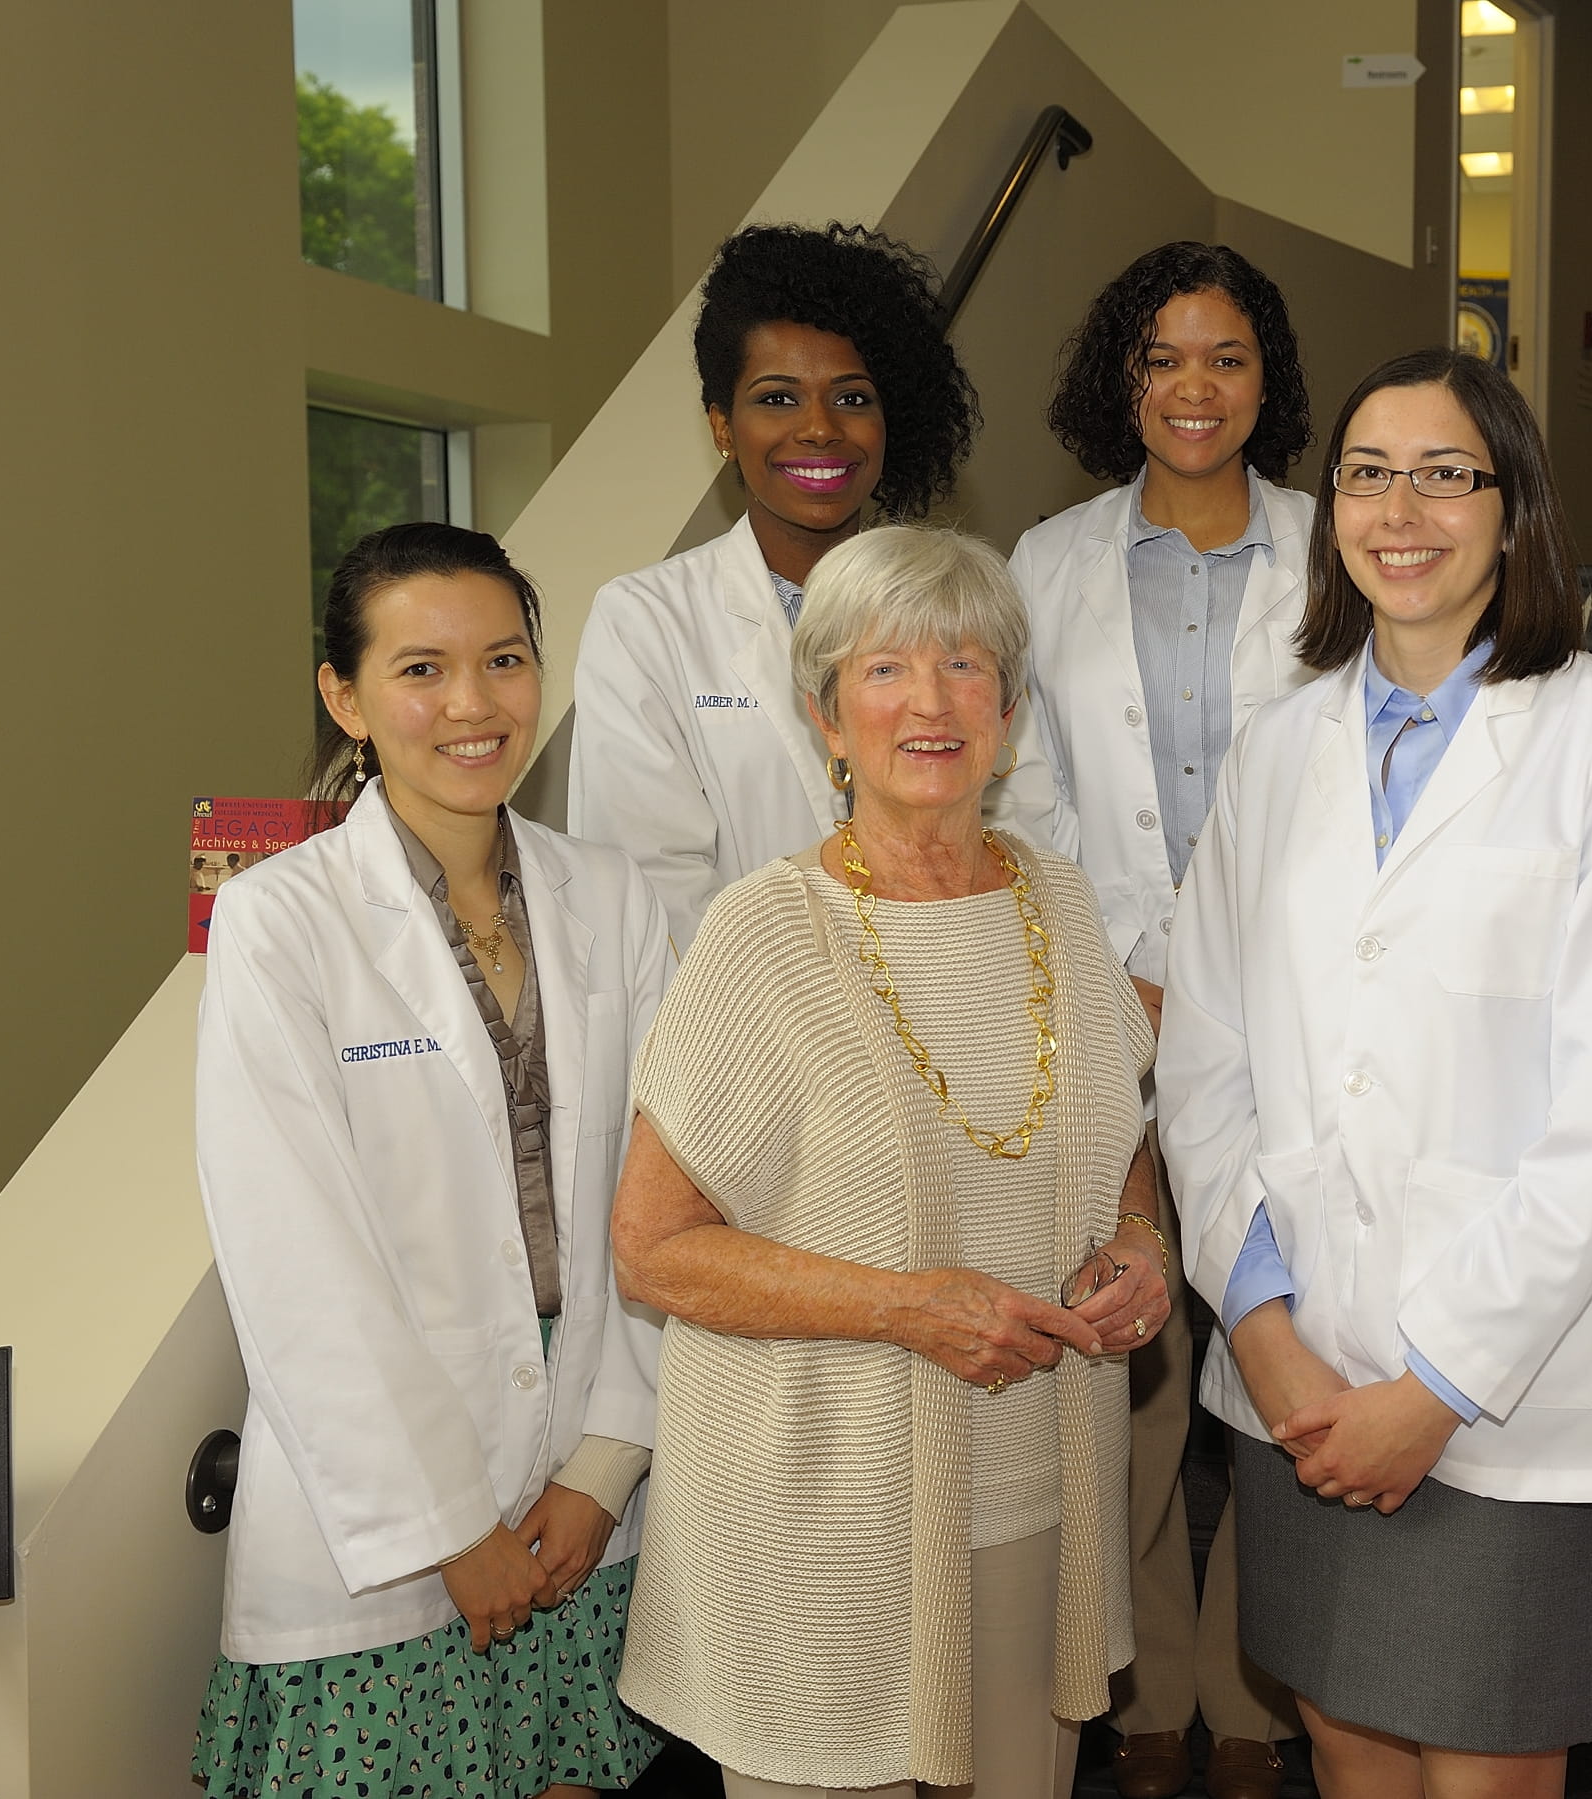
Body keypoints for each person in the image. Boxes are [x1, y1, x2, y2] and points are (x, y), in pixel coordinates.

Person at [1158, 348, 1592, 1798]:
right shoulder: (1278, 752)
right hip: (1297, 1377)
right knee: (1340, 1732)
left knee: (1484, 1765)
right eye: (1366, 473)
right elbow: (1204, 1057)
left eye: (1443, 473)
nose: (1401, 508)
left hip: (1499, 1393)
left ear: (1513, 504)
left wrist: (1437, 1383)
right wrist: (1265, 1325)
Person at [607, 526, 1164, 1798]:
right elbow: (653, 1246)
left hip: (1034, 1500)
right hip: (826, 1514)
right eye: (883, 669)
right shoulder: (762, 931)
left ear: (1011, 713)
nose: (929, 700)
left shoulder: (1062, 904)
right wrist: (906, 1306)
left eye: (966, 665)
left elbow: (1116, 1139)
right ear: (825, 717)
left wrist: (1142, 1242)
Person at [193, 523, 672, 1799]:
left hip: (577, 1496)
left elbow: (666, 1195)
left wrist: (605, 1461)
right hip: (387, 1529)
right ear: (343, 695)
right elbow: (293, 1256)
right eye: (421, 669)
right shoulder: (277, 920)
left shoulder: (616, 896)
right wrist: (450, 1527)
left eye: (504, 659)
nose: (473, 704)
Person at [994, 240, 1314, 1799]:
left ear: (1270, 380)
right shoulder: (1045, 560)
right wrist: (1119, 956)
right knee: (1129, 1356)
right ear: (1119, 378)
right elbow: (1023, 772)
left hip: (1293, 1008)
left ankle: (1254, 1703)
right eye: (1162, 358)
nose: (1194, 389)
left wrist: (1237, 975)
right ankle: (1141, 1683)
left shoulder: (1338, 550)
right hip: (1104, 996)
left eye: (1227, 357)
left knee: (1278, 1336)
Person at [571, 222, 980, 953]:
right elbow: (651, 887)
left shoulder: (964, 610)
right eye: (778, 399)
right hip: (753, 1037)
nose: (820, 429)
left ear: (893, 422)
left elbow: (1020, 822)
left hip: (954, 1007)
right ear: (723, 426)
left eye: (852, 399)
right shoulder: (644, 622)